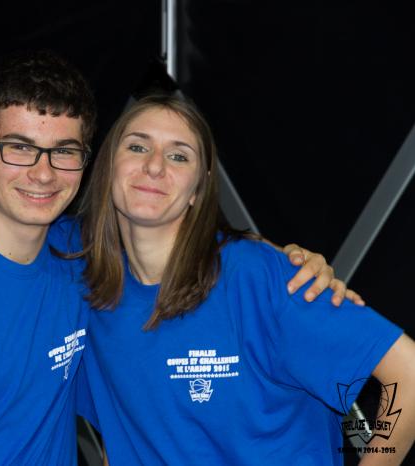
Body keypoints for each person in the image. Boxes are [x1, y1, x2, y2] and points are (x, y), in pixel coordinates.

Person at [0, 51, 351, 465]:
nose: (43, 172)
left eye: (64, 152)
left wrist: (282, 258)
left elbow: (173, 240)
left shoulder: (79, 256)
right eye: (19, 147)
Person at [74, 94, 415, 465]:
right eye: (138, 147)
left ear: (199, 188)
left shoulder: (261, 277)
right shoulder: (88, 291)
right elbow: (123, 435)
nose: (154, 165)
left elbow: (409, 375)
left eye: (179, 156)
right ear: (107, 166)